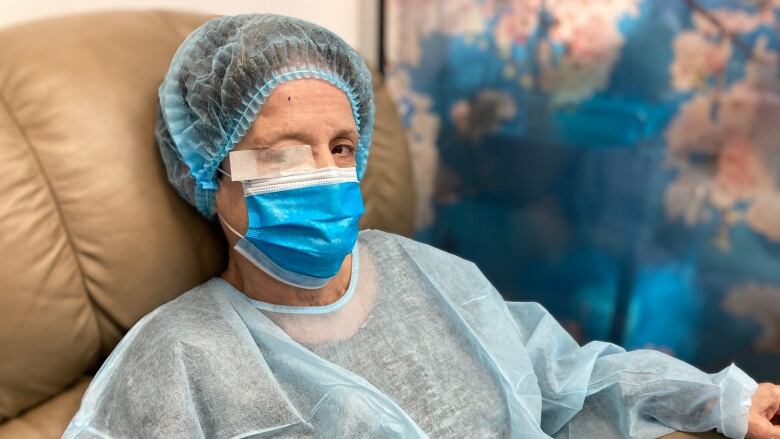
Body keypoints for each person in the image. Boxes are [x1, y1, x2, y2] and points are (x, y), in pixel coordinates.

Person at [63, 14, 780, 439]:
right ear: (206, 171)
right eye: (283, 153)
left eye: (341, 148)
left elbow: (569, 377)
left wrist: (724, 399)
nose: (324, 173)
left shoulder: (427, 275)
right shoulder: (175, 359)